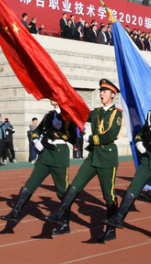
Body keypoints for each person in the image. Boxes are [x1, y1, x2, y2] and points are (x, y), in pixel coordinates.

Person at [102, 80, 151, 247]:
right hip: (148, 158)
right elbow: (143, 132)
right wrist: (138, 142)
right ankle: (119, 217)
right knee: (134, 187)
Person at [44, 79, 124, 243]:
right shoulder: (95, 112)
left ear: (112, 95)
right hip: (93, 156)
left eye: (105, 91)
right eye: (100, 91)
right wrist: (63, 102)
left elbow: (111, 135)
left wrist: (91, 138)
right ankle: (60, 212)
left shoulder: (117, 114)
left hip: (107, 157)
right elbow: (78, 113)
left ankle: (111, 230)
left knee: (108, 196)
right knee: (75, 185)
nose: (102, 94)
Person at [1, 100, 77, 235]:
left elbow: (73, 137)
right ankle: (16, 213)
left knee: (62, 192)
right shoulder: (48, 115)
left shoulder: (68, 115)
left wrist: (60, 128)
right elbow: (37, 130)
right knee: (31, 183)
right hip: (45, 153)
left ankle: (65, 224)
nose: (50, 98)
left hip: (59, 154)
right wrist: (36, 141)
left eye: (53, 95)